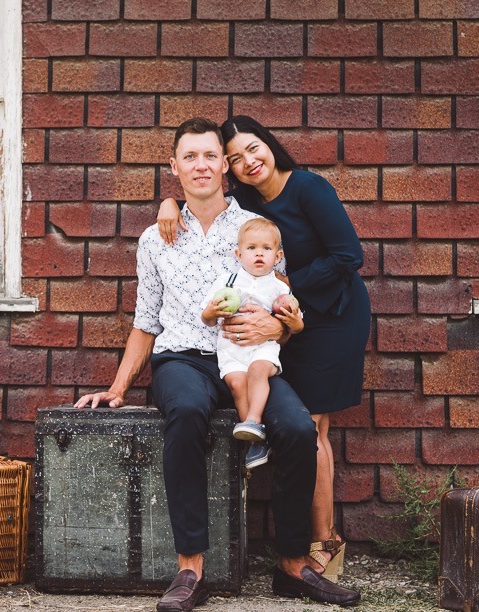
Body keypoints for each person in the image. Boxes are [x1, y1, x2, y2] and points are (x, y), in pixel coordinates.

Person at [76, 118, 360, 611]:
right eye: (190, 157)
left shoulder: (254, 228)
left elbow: (286, 301)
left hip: (248, 358)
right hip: (182, 358)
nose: (201, 165)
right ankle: (191, 569)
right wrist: (119, 386)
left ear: (225, 168)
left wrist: (283, 327)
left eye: (210, 155)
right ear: (174, 167)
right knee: (185, 413)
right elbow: (146, 322)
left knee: (296, 428)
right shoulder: (155, 238)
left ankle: (293, 565)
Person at [157, 115, 371, 581]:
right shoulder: (249, 200)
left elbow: (348, 257)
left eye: (253, 148)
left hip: (331, 314)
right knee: (300, 422)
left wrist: (283, 295)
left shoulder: (307, 190)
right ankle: (289, 552)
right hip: (272, 321)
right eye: (235, 157)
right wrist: (169, 201)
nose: (247, 161)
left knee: (310, 425)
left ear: (270, 144)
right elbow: (199, 190)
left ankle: (320, 551)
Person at [200, 217, 303, 470]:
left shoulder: (279, 289)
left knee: (258, 372)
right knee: (236, 384)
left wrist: (292, 321)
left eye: (266, 249)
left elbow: (298, 326)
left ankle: (254, 421)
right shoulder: (228, 282)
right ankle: (257, 441)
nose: (259, 254)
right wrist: (214, 312)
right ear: (238, 253)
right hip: (231, 349)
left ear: (278, 256)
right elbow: (206, 318)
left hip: (262, 348)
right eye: (252, 248)